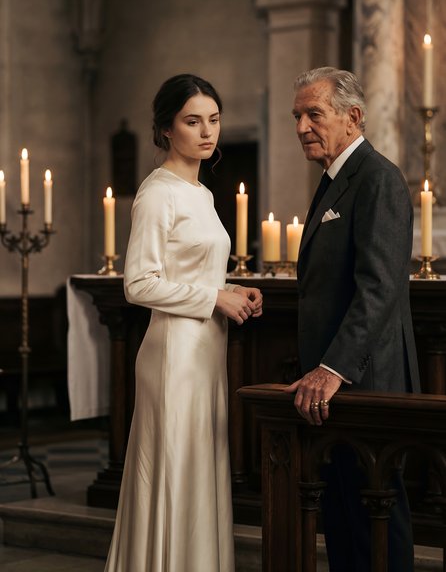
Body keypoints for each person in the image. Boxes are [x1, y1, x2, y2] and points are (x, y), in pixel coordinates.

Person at [104, 73, 263, 572]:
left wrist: (231, 290)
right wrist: (215, 298)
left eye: (214, 120)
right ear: (166, 128)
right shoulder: (158, 193)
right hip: (173, 355)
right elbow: (138, 284)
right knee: (174, 468)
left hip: (205, 353)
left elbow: (193, 272)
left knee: (199, 467)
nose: (207, 131)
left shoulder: (202, 193)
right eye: (193, 121)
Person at [285, 67, 420, 572]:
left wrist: (332, 368)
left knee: (376, 520)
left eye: (313, 114)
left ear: (353, 116)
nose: (302, 127)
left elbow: (379, 288)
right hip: (334, 387)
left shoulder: (378, 178)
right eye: (297, 116)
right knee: (343, 520)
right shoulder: (334, 180)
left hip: (366, 382)